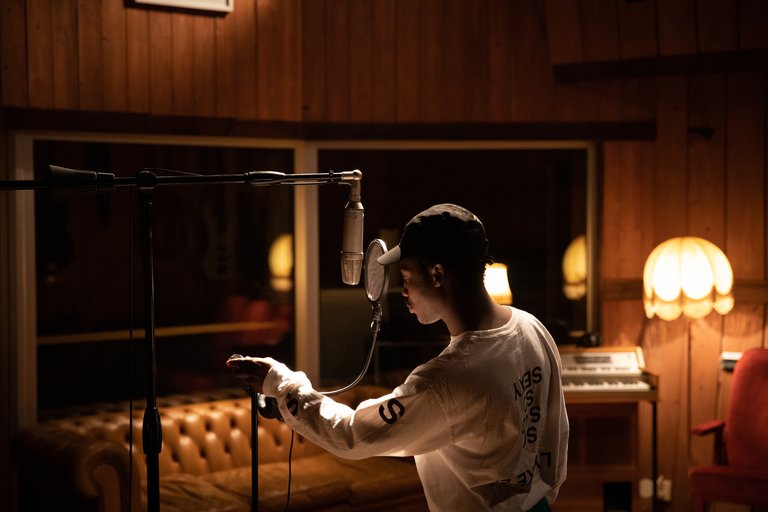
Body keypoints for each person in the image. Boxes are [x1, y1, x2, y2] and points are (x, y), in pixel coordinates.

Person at [227, 203, 569, 511]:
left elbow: (352, 435)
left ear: (437, 274)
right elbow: (555, 431)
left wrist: (281, 382)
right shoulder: (531, 328)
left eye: (406, 277)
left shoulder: (447, 380)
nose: (402, 291)